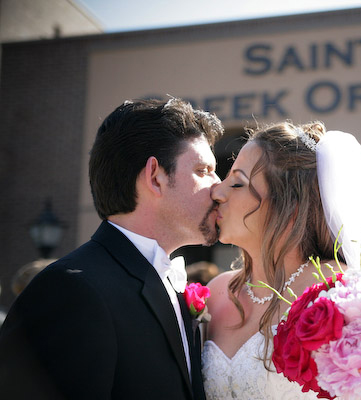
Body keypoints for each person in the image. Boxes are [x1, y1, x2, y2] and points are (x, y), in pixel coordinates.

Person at [0, 98, 223, 400]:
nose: (218, 185)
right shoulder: (70, 291)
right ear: (155, 177)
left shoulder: (172, 287)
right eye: (204, 170)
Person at [202, 122, 361, 399]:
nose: (217, 193)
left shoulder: (343, 292)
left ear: (289, 205)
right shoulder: (217, 293)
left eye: (237, 183)